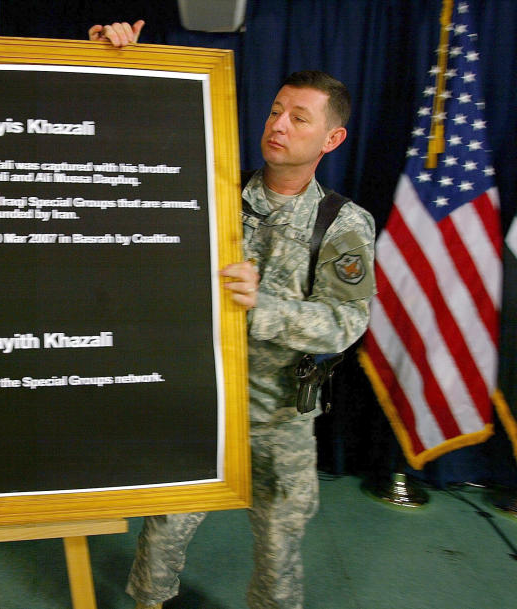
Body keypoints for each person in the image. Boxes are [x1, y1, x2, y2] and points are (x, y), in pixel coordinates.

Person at [91, 23, 376, 609]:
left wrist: (261, 307)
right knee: (164, 530)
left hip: (280, 416)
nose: (278, 124)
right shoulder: (212, 192)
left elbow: (346, 323)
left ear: (332, 138)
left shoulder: (343, 224)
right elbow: (139, 156)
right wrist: (123, 62)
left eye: (300, 117)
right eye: (276, 110)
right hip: (205, 400)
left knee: (278, 549)